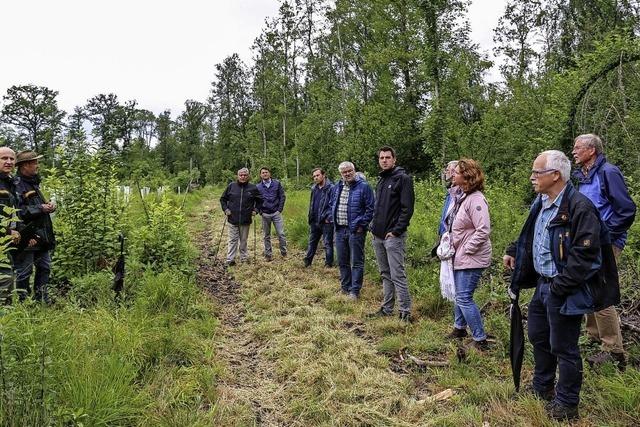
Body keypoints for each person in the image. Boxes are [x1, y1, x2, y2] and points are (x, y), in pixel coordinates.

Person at [504, 150, 619, 421]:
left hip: (563, 289)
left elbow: (587, 256)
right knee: (538, 337)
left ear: (555, 175)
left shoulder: (580, 207)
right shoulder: (542, 202)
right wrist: (513, 249)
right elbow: (531, 231)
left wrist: (560, 286)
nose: (532, 177)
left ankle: (567, 404)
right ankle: (542, 388)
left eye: (537, 172)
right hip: (543, 286)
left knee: (564, 347)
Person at [572, 133, 635, 370]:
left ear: (592, 151)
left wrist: (605, 234)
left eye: (578, 148)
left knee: (601, 291)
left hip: (606, 242)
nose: (574, 152)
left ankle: (614, 351)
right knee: (587, 286)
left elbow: (626, 209)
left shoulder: (608, 172)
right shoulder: (584, 176)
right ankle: (594, 337)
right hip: (588, 242)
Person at [446, 159, 492, 350]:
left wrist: (467, 249)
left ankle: (480, 339)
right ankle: (459, 328)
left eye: (456, 172)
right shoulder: (462, 196)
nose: (452, 174)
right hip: (461, 255)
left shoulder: (476, 200)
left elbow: (483, 230)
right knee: (459, 294)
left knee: (464, 297)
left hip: (471, 257)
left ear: (466, 176)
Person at [369, 147, 415, 321]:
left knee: (397, 274)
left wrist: (396, 231)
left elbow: (407, 209)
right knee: (385, 273)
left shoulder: (402, 179)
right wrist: (372, 226)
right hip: (378, 235)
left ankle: (405, 311)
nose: (384, 160)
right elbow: (377, 207)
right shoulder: (381, 179)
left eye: (388, 157)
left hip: (393, 237)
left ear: (394, 159)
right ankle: (387, 308)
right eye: (381, 157)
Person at [14, 150, 56, 303]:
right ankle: (23, 304)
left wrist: (49, 206)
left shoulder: (34, 183)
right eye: (34, 162)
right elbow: (18, 212)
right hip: (28, 237)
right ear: (25, 165)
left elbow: (38, 206)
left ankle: (41, 300)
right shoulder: (17, 185)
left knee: (44, 268)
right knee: (25, 272)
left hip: (42, 236)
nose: (37, 165)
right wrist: (41, 208)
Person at [330, 161, 375, 300]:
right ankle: (345, 287)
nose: (347, 174)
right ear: (341, 174)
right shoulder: (337, 187)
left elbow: (371, 209)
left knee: (356, 261)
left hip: (356, 231)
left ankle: (354, 291)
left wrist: (361, 225)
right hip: (339, 230)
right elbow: (332, 203)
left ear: (354, 171)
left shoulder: (364, 187)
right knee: (342, 261)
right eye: (344, 172)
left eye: (350, 171)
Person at [219, 168, 263, 266]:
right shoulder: (231, 186)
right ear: (237, 176)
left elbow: (260, 201)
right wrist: (226, 209)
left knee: (243, 240)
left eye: (245, 175)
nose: (243, 177)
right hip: (232, 218)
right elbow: (223, 199)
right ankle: (230, 259)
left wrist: (256, 210)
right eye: (241, 175)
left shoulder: (253, 188)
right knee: (232, 240)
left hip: (246, 219)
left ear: (248, 176)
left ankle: (244, 258)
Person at [0, 147, 22, 304]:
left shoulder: (11, 183)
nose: (8, 162)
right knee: (5, 278)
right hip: (2, 239)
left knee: (7, 276)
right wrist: (9, 231)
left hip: (6, 242)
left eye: (11, 159)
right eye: (3, 158)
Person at [304, 168, 334, 267]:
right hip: (314, 220)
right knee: (312, 242)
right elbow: (312, 204)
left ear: (323, 175)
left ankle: (328, 264)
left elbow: (333, 205)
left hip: (326, 221)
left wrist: (328, 217)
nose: (316, 178)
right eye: (314, 176)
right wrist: (310, 216)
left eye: (317, 175)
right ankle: (307, 262)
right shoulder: (314, 188)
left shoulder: (331, 188)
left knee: (327, 243)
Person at [256, 167, 287, 261]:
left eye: (266, 172)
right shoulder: (258, 187)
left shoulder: (277, 184)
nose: (265, 174)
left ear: (270, 174)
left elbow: (282, 196)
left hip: (276, 213)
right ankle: (268, 254)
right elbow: (256, 201)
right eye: (263, 173)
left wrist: (279, 210)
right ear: (260, 175)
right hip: (265, 214)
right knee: (266, 235)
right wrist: (261, 212)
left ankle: (284, 252)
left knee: (281, 234)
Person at [438, 161, 459, 236]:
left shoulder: (460, 193)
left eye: (447, 170)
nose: (445, 172)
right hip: (445, 235)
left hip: (453, 236)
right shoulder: (450, 190)